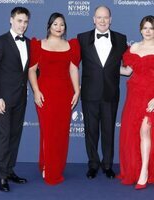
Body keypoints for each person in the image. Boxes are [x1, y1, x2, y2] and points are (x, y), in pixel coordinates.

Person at [29, 12, 80, 185]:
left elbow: (73, 70)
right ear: (49, 26)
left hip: (64, 93)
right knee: (48, 132)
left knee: (61, 133)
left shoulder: (71, 45)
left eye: (62, 24)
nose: (59, 27)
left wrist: (77, 91)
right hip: (45, 93)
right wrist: (36, 91)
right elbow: (31, 70)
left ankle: (54, 167)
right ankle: (48, 169)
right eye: (55, 24)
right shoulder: (38, 44)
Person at [77, 6, 127, 179]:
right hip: (89, 94)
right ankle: (93, 164)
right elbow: (71, 64)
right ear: (93, 19)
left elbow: (129, 64)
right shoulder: (82, 38)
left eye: (106, 17)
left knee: (109, 131)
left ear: (111, 19)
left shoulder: (121, 39)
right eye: (99, 17)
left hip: (111, 93)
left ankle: (107, 165)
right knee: (91, 132)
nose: (103, 20)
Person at [0, 7, 30, 192]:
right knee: (5, 136)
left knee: (15, 136)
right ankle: (2, 176)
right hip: (3, 99)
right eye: (19, 21)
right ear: (11, 20)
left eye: (26, 22)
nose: (23, 25)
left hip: (21, 98)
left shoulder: (28, 43)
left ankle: (10, 170)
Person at [118, 15, 154, 189]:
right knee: (133, 133)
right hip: (134, 94)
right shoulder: (135, 47)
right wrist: (104, 66)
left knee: (144, 130)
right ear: (140, 29)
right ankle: (138, 169)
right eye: (145, 28)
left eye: (151, 28)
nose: (148, 31)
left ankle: (144, 172)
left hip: (151, 95)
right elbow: (127, 71)